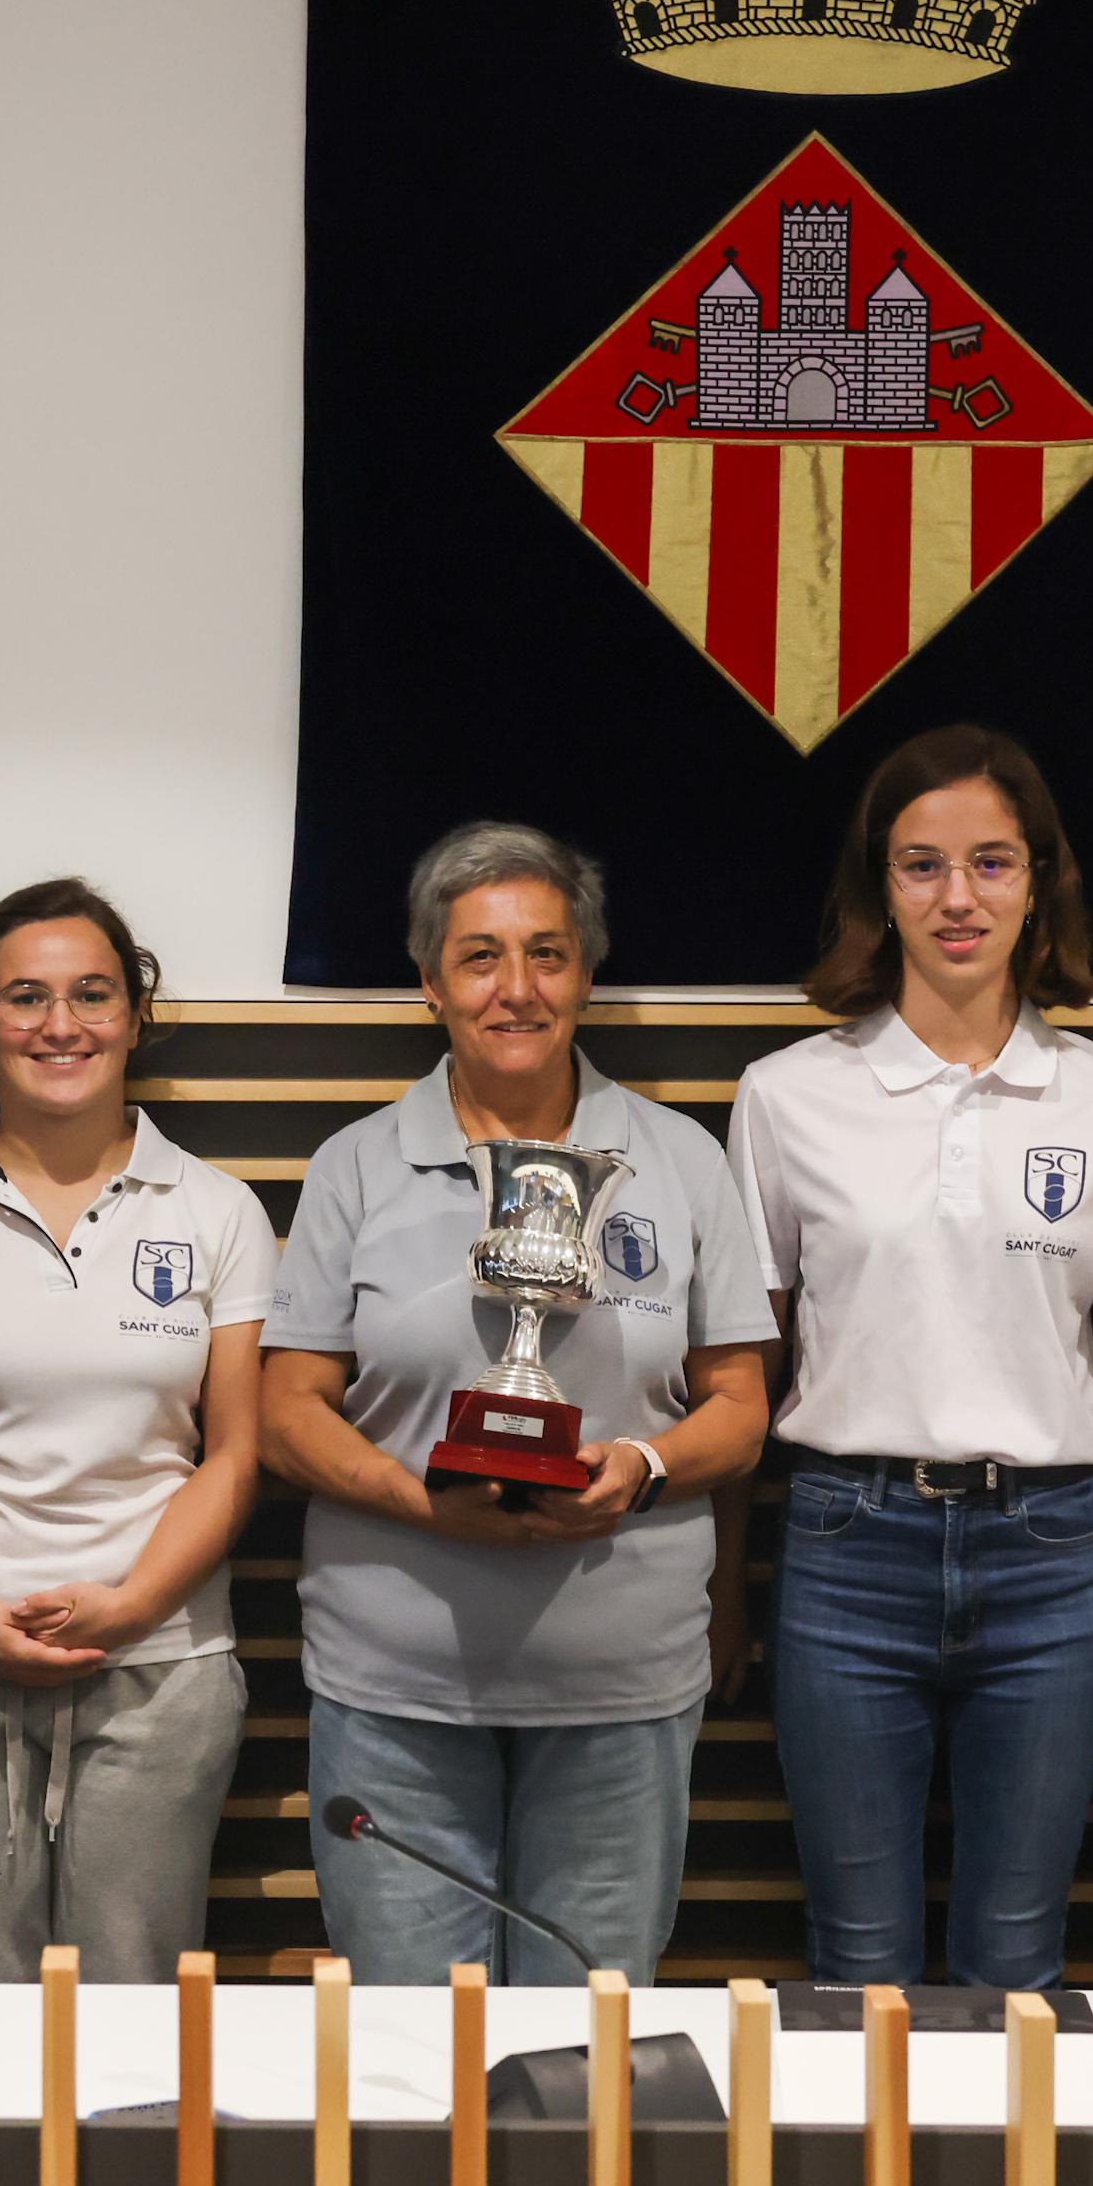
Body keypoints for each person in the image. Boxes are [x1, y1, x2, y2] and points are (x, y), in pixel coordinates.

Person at [259, 823, 775, 1985]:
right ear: (430, 983)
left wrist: (638, 1466)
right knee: (404, 2049)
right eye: (480, 957)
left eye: (547, 954)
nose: (516, 988)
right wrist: (418, 1501)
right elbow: (287, 1407)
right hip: (395, 1688)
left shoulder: (679, 1159)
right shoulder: (357, 1162)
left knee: (580, 2056)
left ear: (586, 974)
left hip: (619, 1686)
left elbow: (740, 1405)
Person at [724, 724, 1093, 1991]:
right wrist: (724, 1585)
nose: (957, 898)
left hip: (1052, 1558)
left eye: (990, 863)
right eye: (921, 866)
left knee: (1016, 1961)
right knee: (857, 1958)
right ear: (881, 887)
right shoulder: (789, 1092)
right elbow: (747, 1363)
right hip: (844, 1546)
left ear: (1039, 881)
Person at [0, 880, 271, 1980]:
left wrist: (127, 1607)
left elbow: (233, 1454)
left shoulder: (217, 1211)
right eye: (23, 998)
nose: (59, 1025)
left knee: (133, 1991)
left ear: (134, 1015)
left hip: (159, 1664)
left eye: (92, 993)